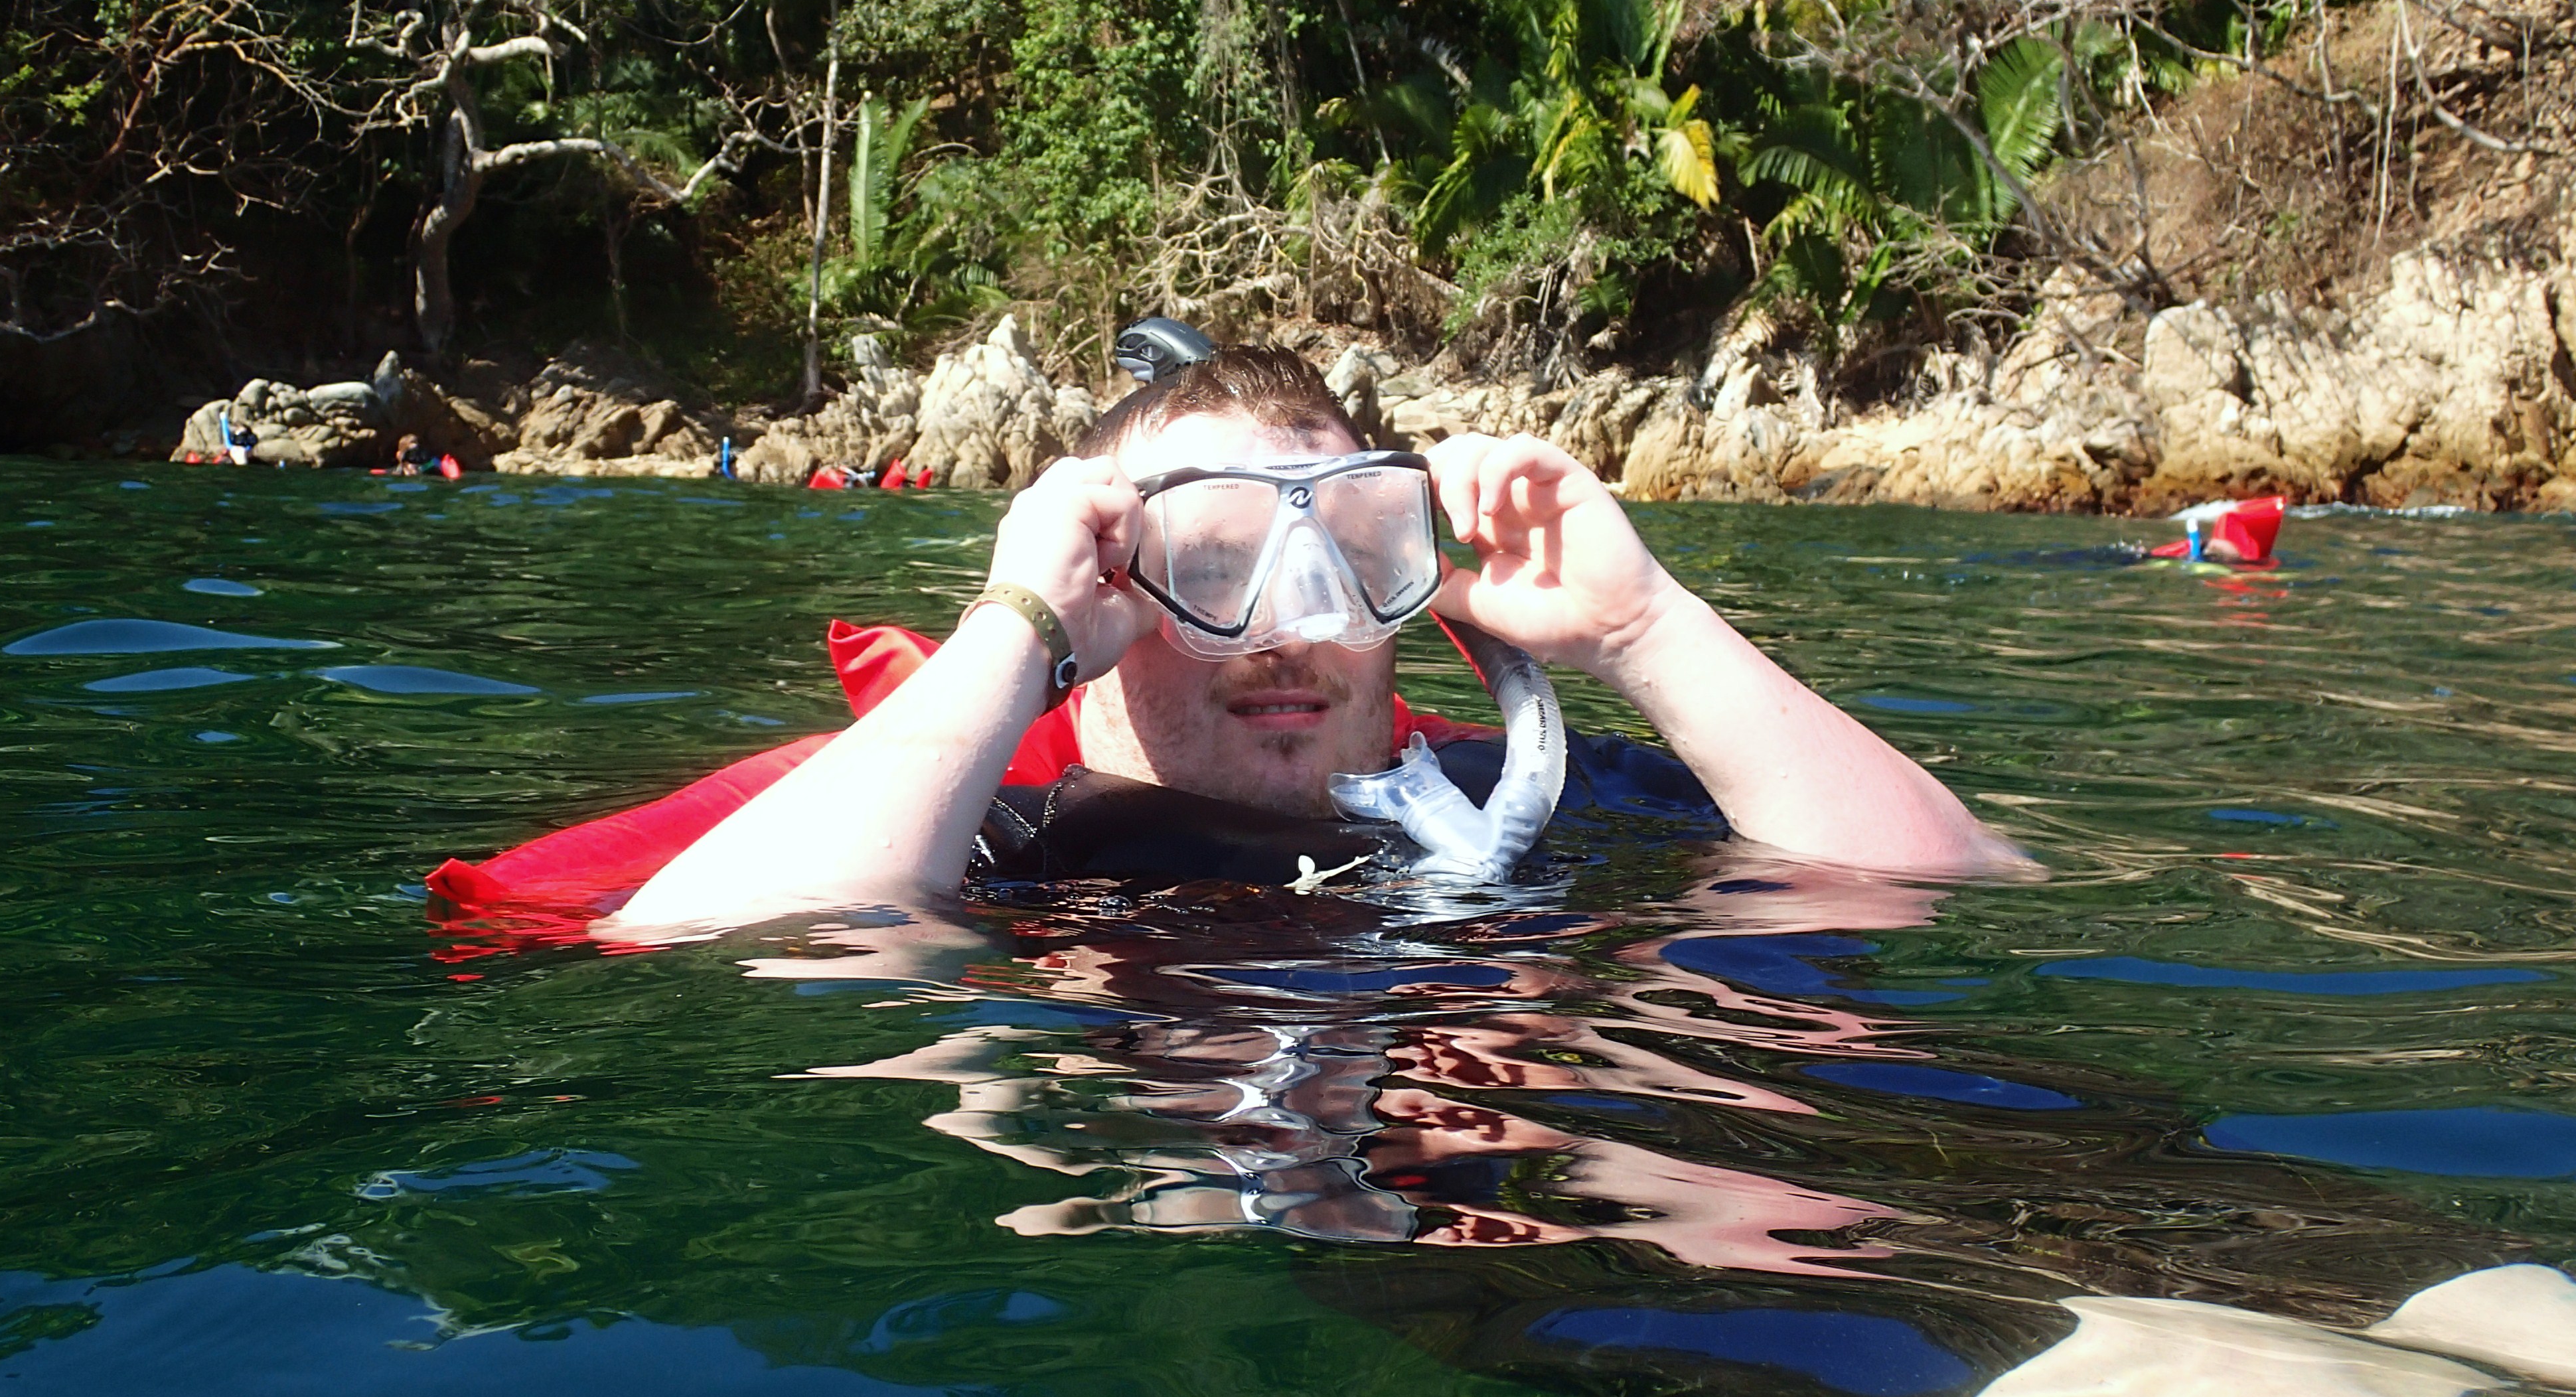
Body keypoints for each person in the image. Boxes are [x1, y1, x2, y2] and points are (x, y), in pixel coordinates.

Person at [611, 344, 2019, 936]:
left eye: (1351, 557)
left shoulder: (1517, 791)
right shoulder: (966, 822)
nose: (1293, 626)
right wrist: (1015, 631)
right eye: (1212, 565)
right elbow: (718, 939)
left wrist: (1649, 628)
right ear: (1106, 585)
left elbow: (1945, 880)